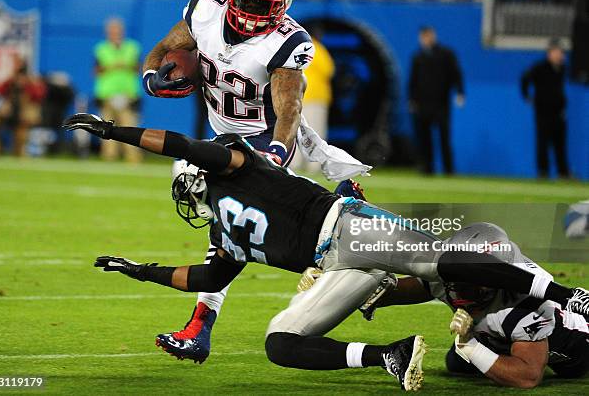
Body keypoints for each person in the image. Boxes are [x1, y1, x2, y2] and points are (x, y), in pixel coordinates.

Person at [62, 114, 589, 381]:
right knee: (281, 342)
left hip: (351, 228)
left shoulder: (238, 167)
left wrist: (115, 132)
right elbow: (203, 281)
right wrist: (142, 271)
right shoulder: (224, 236)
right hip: (333, 262)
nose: (190, 200)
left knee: (446, 263)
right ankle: (389, 355)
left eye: (188, 188)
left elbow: (176, 144)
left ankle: (562, 295)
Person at [140, 0, 319, 362]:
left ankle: (199, 328)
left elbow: (288, 105)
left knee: (227, 227)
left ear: (282, 7)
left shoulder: (288, 41)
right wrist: (151, 78)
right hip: (221, 133)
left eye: (262, 5)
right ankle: (329, 233)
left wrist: (276, 150)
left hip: (260, 137)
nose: (249, 11)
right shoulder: (206, 6)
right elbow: (167, 47)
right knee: (232, 223)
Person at [359, 224, 589, 388]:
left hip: (571, 343)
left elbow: (527, 377)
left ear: (494, 279)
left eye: (470, 283)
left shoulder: (524, 304)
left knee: (571, 370)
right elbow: (416, 287)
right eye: (456, 278)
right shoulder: (451, 276)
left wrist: (471, 346)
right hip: (498, 337)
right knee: (456, 364)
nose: (458, 291)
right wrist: (366, 291)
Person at [409, 26, 464, 175]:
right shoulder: (418, 57)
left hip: (441, 103)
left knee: (444, 138)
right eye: (423, 37)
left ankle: (448, 170)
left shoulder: (446, 54)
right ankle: (427, 168)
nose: (425, 40)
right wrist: (412, 100)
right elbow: (413, 80)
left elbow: (456, 73)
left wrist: (460, 92)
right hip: (423, 103)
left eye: (427, 36)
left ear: (433, 36)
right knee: (424, 138)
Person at [93, 18, 142, 163]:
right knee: (106, 127)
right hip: (107, 93)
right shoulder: (101, 48)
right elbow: (96, 70)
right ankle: (109, 157)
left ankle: (133, 159)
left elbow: (139, 68)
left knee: (130, 127)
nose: (114, 34)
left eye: (117, 31)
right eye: (112, 31)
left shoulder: (133, 47)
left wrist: (126, 66)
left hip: (128, 93)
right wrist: (112, 66)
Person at [521, 39, 570, 178]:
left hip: (559, 113)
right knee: (543, 142)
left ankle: (563, 172)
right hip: (543, 112)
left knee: (560, 143)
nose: (559, 55)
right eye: (556, 52)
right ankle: (543, 172)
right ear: (549, 53)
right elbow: (524, 78)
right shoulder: (540, 67)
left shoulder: (562, 69)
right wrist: (526, 96)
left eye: (560, 52)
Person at [0, 55, 46, 156]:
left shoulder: (32, 82)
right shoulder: (10, 81)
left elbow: (39, 97)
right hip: (9, 111)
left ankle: (19, 153)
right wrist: (3, 105)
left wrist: (32, 84)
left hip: (23, 114)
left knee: (22, 128)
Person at [291, 30, 335, 173]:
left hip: (296, 95)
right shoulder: (317, 48)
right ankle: (314, 165)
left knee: (294, 131)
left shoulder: (295, 47)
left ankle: (294, 163)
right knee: (315, 132)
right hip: (315, 97)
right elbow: (329, 70)